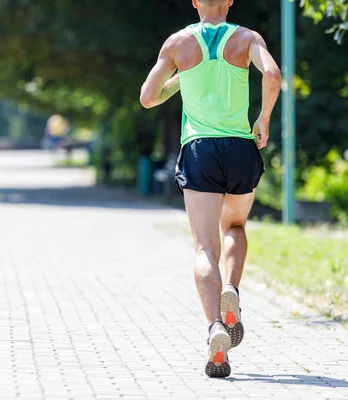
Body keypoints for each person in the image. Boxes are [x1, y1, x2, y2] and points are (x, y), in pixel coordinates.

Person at [140, 0, 281, 378]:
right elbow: (271, 74)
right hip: (239, 147)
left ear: (195, 2)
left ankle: (216, 327)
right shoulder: (247, 38)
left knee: (205, 247)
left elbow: (148, 97)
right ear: (230, 1)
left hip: (199, 148)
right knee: (234, 228)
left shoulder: (178, 43)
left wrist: (182, 76)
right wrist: (263, 118)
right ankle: (231, 288)